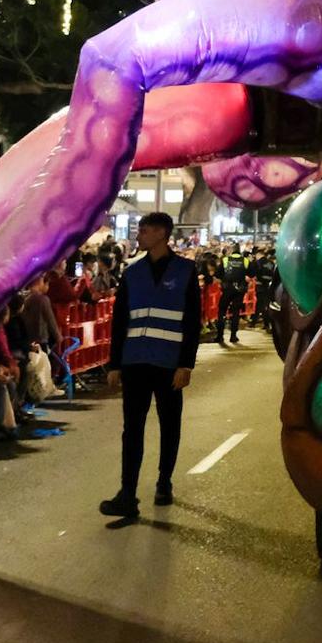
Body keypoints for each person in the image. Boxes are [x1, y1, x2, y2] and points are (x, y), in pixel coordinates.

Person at [99, 212, 199, 519]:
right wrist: (114, 364)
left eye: (144, 230)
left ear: (161, 234)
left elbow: (193, 320)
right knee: (132, 430)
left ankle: (164, 482)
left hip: (169, 364)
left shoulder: (185, 270)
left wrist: (186, 364)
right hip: (136, 361)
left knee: (170, 426)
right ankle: (127, 494)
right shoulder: (132, 272)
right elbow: (120, 321)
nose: (138, 235)